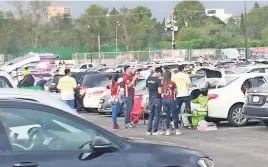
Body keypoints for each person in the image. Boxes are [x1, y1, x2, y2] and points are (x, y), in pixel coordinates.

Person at [162, 71, 181, 136]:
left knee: (167, 116)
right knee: (174, 115)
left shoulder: (163, 83)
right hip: (171, 100)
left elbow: (161, 92)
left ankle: (167, 130)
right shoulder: (173, 83)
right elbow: (176, 92)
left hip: (164, 100)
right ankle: (177, 130)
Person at [146, 67, 163, 135]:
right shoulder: (158, 80)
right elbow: (159, 91)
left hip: (151, 98)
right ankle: (155, 130)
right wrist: (162, 91)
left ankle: (148, 131)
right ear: (158, 72)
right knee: (157, 115)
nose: (160, 75)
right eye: (160, 74)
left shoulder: (148, 79)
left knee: (151, 115)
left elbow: (147, 90)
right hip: (157, 98)